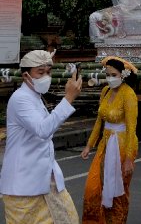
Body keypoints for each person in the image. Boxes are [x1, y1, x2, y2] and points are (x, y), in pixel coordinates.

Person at [0, 49, 82, 224]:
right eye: (40, 72)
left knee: (70, 219)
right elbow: (43, 130)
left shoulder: (35, 97)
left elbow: (46, 131)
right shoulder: (20, 98)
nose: (46, 76)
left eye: (48, 72)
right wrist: (68, 99)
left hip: (46, 180)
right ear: (26, 76)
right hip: (23, 186)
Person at [80, 56, 139, 224]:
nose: (110, 78)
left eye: (113, 74)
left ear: (123, 75)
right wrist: (89, 145)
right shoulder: (105, 91)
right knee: (92, 189)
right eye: (107, 75)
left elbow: (131, 128)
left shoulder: (129, 95)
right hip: (104, 145)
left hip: (123, 146)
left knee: (117, 193)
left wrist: (128, 159)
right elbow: (100, 121)